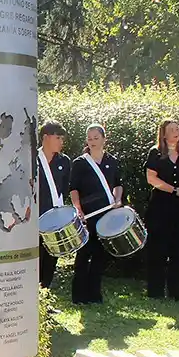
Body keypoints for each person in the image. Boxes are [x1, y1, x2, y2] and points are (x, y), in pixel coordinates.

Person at [144, 119, 179, 301]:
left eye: (177, 129)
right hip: (160, 206)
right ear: (164, 134)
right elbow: (152, 179)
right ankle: (156, 292)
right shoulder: (156, 153)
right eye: (171, 129)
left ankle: (176, 293)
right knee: (158, 250)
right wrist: (175, 190)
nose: (176, 132)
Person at [68, 124, 123, 305]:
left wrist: (117, 199)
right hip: (87, 216)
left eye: (96, 138)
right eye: (89, 138)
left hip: (107, 215)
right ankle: (79, 295)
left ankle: (95, 294)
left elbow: (118, 183)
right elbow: (73, 189)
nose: (92, 141)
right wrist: (78, 209)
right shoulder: (80, 163)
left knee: (100, 255)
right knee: (84, 254)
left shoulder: (112, 161)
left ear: (104, 139)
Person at [37, 119, 71, 289]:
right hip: (36, 218)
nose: (61, 142)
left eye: (62, 138)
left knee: (52, 257)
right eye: (58, 138)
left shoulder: (64, 161)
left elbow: (66, 189)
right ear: (46, 137)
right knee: (37, 258)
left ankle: (46, 295)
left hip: (55, 218)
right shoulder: (33, 159)